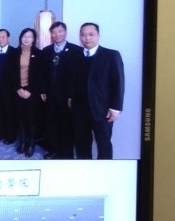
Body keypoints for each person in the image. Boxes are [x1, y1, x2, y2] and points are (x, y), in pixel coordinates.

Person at [68, 21, 124, 159]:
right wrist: (70, 97)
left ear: (98, 36)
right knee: (81, 144)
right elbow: (72, 79)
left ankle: (104, 170)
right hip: (79, 108)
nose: (87, 38)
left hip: (102, 109)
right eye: (83, 35)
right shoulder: (75, 55)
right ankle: (85, 169)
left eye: (91, 34)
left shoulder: (111, 55)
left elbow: (118, 82)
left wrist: (115, 108)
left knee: (104, 143)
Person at [39, 20, 76, 158]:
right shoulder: (46, 51)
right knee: (51, 122)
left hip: (67, 97)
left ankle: (66, 153)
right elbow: (42, 73)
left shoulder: (76, 50)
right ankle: (53, 149)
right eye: (54, 32)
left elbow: (77, 77)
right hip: (49, 94)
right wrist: (43, 90)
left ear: (65, 32)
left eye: (60, 31)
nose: (57, 34)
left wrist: (72, 95)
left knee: (67, 124)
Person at [14, 27, 39, 155]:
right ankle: (23, 142)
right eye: (24, 36)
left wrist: (30, 91)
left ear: (34, 39)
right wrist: (18, 88)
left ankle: (31, 143)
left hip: (31, 92)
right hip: (18, 90)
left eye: (29, 37)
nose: (26, 39)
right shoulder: (14, 53)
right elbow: (9, 73)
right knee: (20, 118)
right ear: (20, 38)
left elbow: (41, 76)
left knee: (31, 118)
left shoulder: (39, 54)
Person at [0, 29, 18, 143]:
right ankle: (0, 133)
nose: (0, 39)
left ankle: (11, 135)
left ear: (8, 38)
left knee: (9, 112)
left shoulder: (15, 52)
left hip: (9, 89)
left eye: (3, 37)